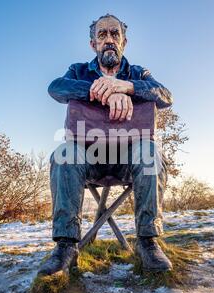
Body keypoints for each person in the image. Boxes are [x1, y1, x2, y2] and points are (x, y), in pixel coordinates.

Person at [38, 14, 173, 276]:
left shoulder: (138, 73)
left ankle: (148, 242)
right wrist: (100, 90)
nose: (109, 39)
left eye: (114, 34)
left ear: (124, 41)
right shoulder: (78, 71)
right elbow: (55, 88)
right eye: (102, 35)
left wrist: (125, 86)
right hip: (88, 158)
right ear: (93, 44)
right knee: (64, 153)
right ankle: (66, 246)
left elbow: (165, 95)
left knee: (149, 152)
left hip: (128, 158)